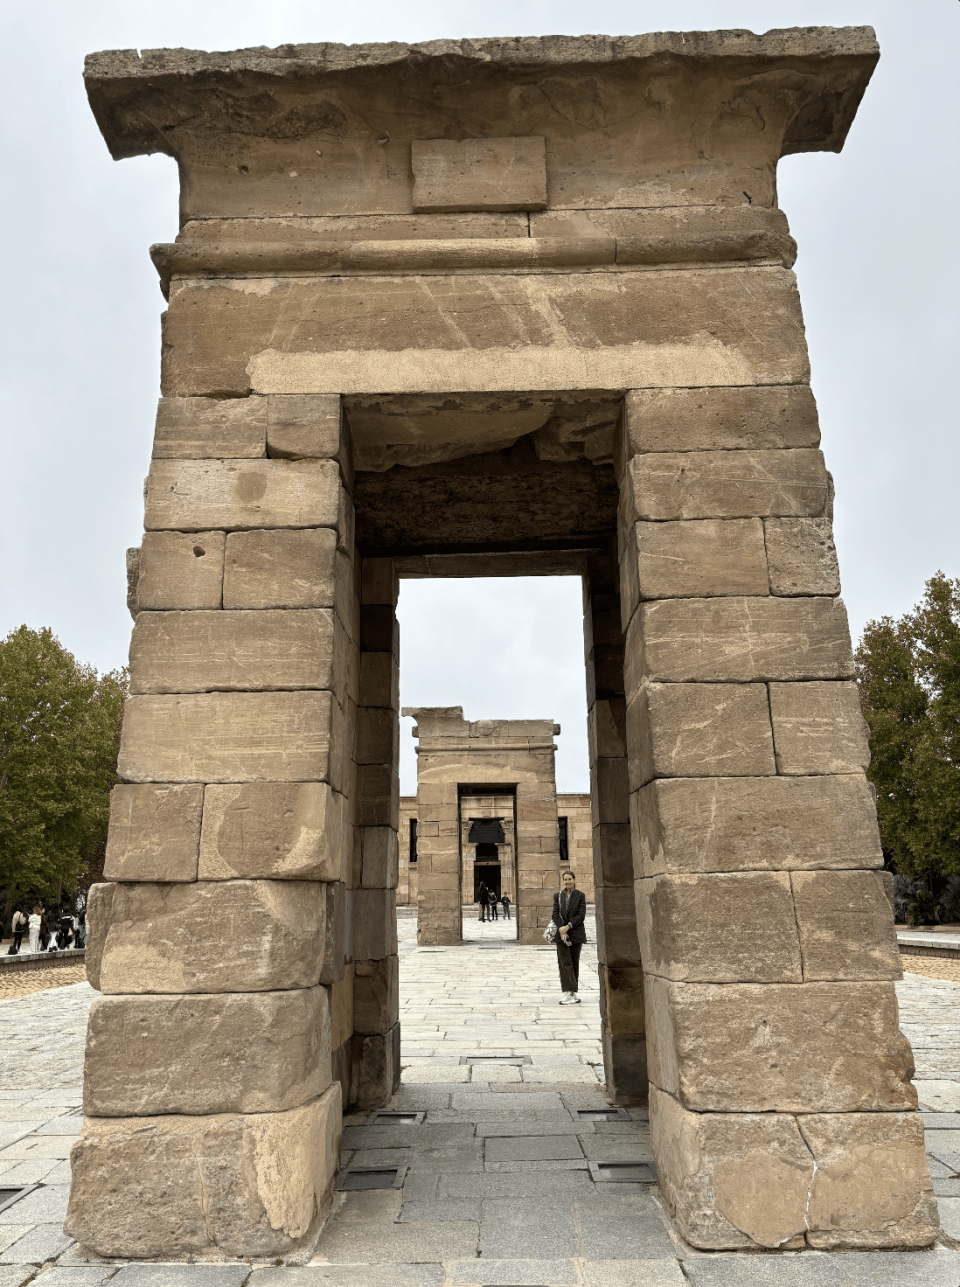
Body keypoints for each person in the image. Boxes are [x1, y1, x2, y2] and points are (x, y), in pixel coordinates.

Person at [552, 870, 586, 1004]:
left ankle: (572, 993)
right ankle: (569, 992)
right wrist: (562, 929)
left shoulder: (580, 896)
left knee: (574, 962)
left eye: (570, 879)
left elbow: (581, 915)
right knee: (564, 963)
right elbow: (555, 914)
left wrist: (569, 926)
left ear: (574, 880)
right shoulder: (557, 896)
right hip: (562, 935)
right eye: (565, 879)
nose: (568, 881)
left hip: (576, 933)